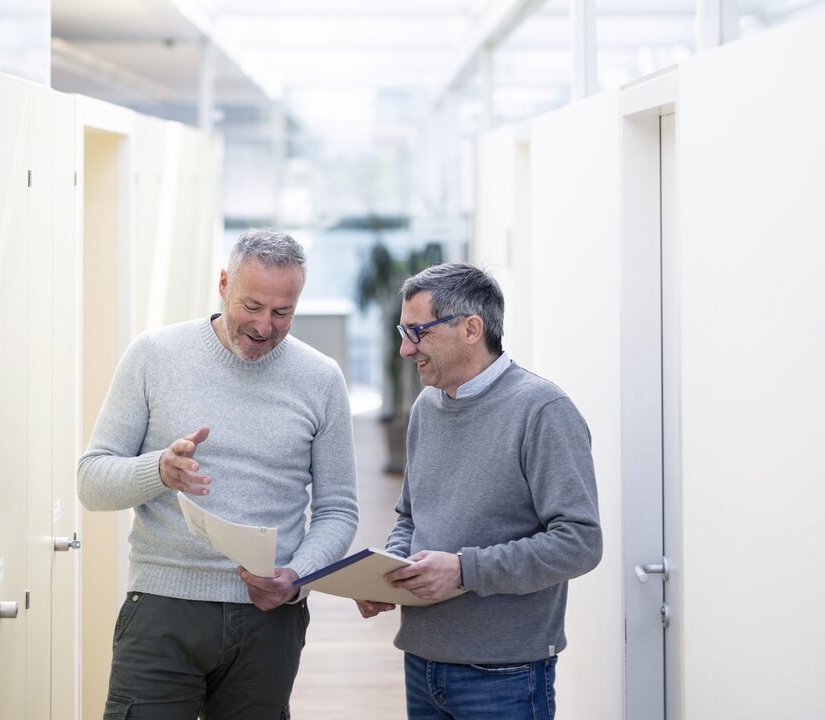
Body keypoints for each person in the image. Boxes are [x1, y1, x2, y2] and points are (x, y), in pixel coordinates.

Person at [78, 229, 359, 720]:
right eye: (252, 306)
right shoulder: (153, 355)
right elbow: (92, 482)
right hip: (163, 608)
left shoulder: (321, 378)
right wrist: (159, 470)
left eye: (283, 312)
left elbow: (338, 510)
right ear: (224, 284)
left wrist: (297, 577)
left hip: (271, 618)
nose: (265, 327)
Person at [356, 262, 602, 720]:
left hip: (506, 673)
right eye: (403, 332)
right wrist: (389, 572)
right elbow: (410, 516)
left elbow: (580, 543)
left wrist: (463, 570)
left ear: (471, 329)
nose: (406, 349)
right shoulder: (426, 407)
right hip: (422, 659)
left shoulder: (543, 411)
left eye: (418, 332)